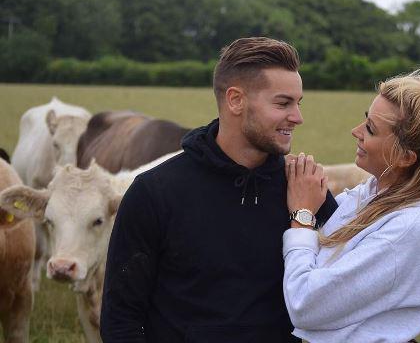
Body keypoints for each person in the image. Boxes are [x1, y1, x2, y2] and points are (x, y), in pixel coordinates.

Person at [100, 37, 337, 343]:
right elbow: (121, 318)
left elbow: (344, 294)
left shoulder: (305, 189)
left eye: (298, 103)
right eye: (283, 103)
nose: (298, 117)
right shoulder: (155, 192)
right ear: (236, 100)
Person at [282, 65, 420, 342]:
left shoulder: (410, 226)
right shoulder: (372, 195)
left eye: (371, 129)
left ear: (405, 157)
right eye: (365, 120)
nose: (356, 131)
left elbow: (306, 305)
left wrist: (302, 216)